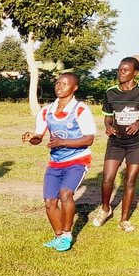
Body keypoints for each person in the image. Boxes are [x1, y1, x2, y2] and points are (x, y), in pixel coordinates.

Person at [21, 71, 97, 252]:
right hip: (55, 163)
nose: (59, 87)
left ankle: (67, 234)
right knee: (49, 202)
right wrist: (32, 137)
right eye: (57, 83)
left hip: (77, 160)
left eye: (65, 84)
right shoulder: (47, 111)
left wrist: (63, 142)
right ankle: (58, 237)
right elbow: (40, 137)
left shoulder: (80, 109)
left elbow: (88, 139)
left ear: (74, 88)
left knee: (65, 194)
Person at [92, 56, 139, 232]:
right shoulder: (110, 92)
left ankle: (124, 220)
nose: (121, 73)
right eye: (119, 69)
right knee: (107, 179)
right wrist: (108, 127)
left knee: (130, 181)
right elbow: (108, 117)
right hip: (115, 142)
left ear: (135, 72)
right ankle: (105, 210)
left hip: (137, 143)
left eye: (125, 70)